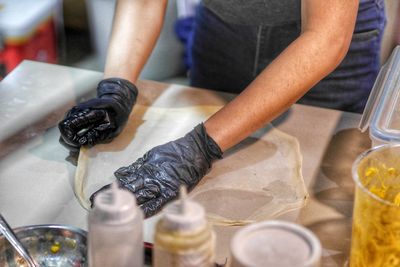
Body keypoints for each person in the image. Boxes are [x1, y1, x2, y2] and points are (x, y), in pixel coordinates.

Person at [59, 0, 386, 217]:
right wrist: (117, 85)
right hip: (221, 32)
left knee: (320, 208)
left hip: (329, 46)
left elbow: (326, 36)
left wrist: (199, 147)